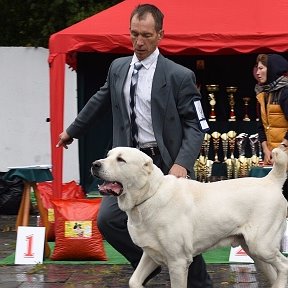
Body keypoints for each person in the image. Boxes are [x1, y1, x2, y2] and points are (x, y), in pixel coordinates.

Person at [57, 3, 212, 287]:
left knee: (180, 231)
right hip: (126, 166)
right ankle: (148, 266)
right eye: (134, 34)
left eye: (147, 35)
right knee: (108, 219)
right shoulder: (118, 68)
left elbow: (196, 124)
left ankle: (200, 284)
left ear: (160, 35)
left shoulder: (179, 76)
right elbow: (100, 99)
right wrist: (72, 131)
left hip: (164, 163)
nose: (139, 42)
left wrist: (181, 164)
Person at [254, 54, 288, 165]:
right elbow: (261, 126)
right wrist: (266, 150)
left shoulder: (285, 91)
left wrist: (281, 149)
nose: (257, 73)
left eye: (261, 68)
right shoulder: (262, 94)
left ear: (272, 69)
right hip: (274, 158)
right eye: (257, 68)